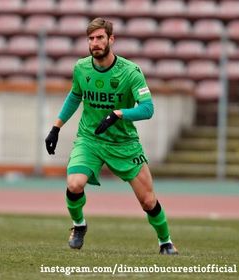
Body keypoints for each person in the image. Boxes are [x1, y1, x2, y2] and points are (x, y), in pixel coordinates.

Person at [45, 18, 178, 255]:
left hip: (124, 144)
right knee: (74, 184)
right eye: (91, 39)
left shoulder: (130, 72)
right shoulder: (81, 68)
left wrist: (118, 114)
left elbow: (147, 109)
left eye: (99, 38)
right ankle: (78, 226)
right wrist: (56, 127)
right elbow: (75, 96)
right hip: (90, 140)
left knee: (148, 201)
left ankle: (165, 242)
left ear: (111, 40)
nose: (95, 43)